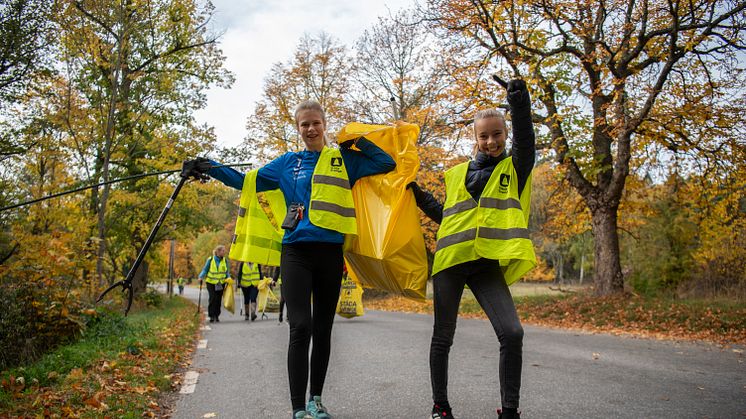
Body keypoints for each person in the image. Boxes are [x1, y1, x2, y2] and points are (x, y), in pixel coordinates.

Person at [183, 100, 396, 419]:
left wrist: (355, 140)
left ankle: (316, 400)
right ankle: (298, 407)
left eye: (316, 123)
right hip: (295, 251)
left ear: (325, 125)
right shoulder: (287, 163)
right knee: (301, 326)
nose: (310, 129)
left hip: (329, 253)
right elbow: (246, 181)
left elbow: (386, 163)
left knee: (323, 329)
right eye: (304, 125)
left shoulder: (345, 160)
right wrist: (209, 166)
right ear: (298, 129)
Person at [408, 79, 536, 419]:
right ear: (475, 138)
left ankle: (510, 410)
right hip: (450, 262)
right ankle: (441, 407)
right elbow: (447, 216)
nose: (491, 141)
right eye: (484, 135)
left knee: (512, 332)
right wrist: (420, 197)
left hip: (485, 264)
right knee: (443, 337)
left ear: (505, 135)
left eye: (497, 134)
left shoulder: (515, 168)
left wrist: (519, 103)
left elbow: (527, 140)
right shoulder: (455, 174)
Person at [198, 245, 231, 323]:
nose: (224, 252)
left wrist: (228, 278)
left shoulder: (225, 261)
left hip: (221, 283)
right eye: (223, 250)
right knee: (212, 298)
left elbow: (226, 272)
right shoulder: (211, 259)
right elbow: (205, 269)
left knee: (218, 299)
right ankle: (211, 315)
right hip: (211, 283)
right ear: (218, 251)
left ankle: (217, 315)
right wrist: (201, 277)